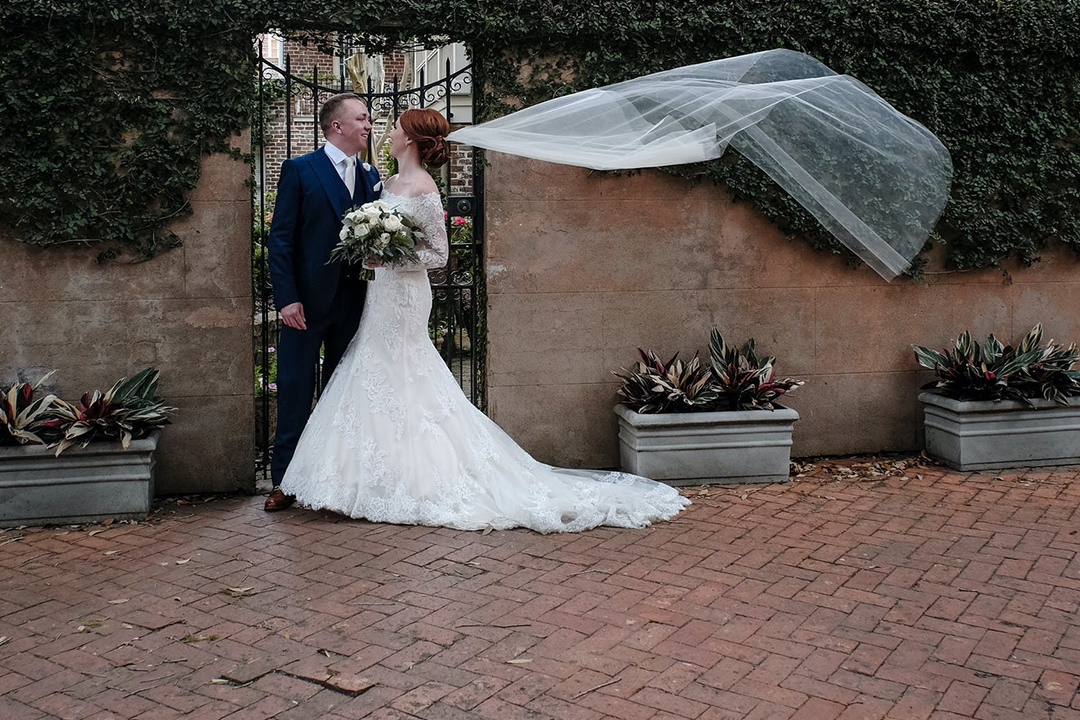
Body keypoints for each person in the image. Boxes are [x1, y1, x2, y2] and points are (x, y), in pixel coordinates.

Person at [278, 108, 688, 532]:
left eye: (396, 128)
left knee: (401, 370)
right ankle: (364, 479)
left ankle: (415, 479)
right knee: (373, 374)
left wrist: (390, 258)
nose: (388, 132)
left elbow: (438, 254)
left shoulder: (422, 187)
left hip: (404, 295)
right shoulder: (383, 182)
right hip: (379, 295)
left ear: (412, 140)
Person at [264, 93, 383, 511]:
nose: (369, 125)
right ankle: (283, 482)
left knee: (340, 395)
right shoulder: (300, 170)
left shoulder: (371, 175)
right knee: (295, 390)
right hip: (305, 306)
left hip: (353, 303)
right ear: (337, 126)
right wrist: (287, 299)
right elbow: (280, 241)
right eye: (362, 118)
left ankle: (332, 485)